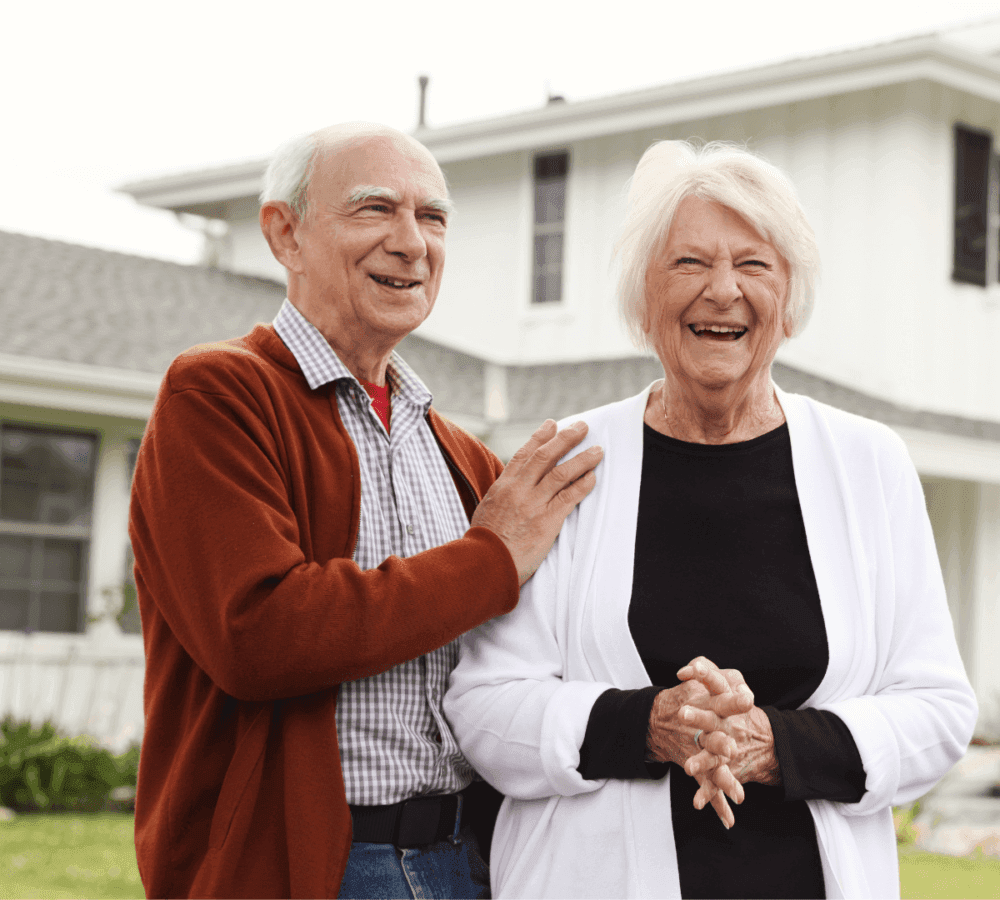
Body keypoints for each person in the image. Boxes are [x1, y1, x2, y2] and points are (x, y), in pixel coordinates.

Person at [444, 140, 978, 899]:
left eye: (754, 264)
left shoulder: (870, 463)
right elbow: (485, 708)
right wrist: (652, 725)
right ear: (643, 297)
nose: (722, 290)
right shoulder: (568, 463)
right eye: (689, 263)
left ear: (789, 300)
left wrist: (773, 743)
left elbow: (939, 709)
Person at [128, 122, 603, 900]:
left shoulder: (457, 453)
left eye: (434, 217)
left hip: (468, 861)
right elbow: (259, 633)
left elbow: (546, 643)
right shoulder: (216, 396)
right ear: (286, 233)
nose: (412, 242)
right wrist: (490, 558)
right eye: (375, 209)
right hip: (308, 868)